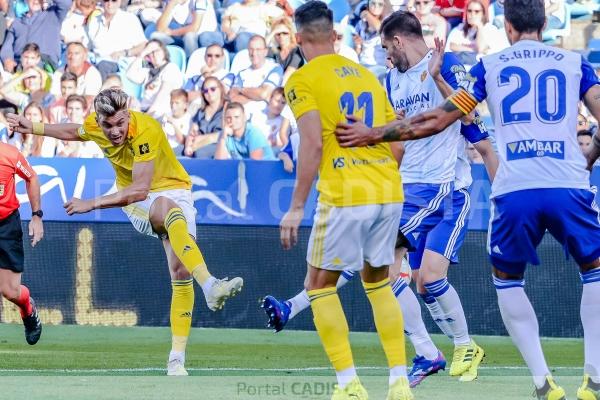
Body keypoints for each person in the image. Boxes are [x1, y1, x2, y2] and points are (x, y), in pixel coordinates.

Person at [333, 0, 600, 397]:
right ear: (545, 23)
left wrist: (374, 134)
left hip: (515, 187)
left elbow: (441, 119)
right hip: (567, 180)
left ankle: (543, 382)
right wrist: (588, 159)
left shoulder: (487, 66)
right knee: (594, 272)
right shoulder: (574, 62)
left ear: (507, 26)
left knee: (508, 282)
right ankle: (593, 377)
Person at [7, 88, 244, 376]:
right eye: (108, 125)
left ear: (128, 113)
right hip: (139, 201)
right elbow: (74, 132)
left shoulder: (146, 130)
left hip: (172, 189)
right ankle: (209, 284)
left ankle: (176, 359)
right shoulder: (96, 125)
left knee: (181, 271)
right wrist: (34, 126)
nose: (115, 131)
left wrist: (90, 203)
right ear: (99, 120)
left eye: (120, 123)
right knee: (166, 210)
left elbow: (141, 186)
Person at [279, 2, 413, 399]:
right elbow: (397, 143)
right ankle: (399, 382)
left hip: (345, 193)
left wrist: (297, 206)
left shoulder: (301, 80)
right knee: (378, 283)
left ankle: (349, 384)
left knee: (319, 286)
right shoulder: (368, 76)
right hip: (388, 189)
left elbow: (312, 142)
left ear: (299, 39)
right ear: (334, 35)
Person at [0, 141, 43, 345]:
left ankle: (27, 308)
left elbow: (32, 176)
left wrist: (36, 216)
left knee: (10, 291)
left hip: (6, 225)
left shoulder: (9, 154)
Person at [0, 0, 71, 72]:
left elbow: (66, 3)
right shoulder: (17, 23)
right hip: (19, 64)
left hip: (43, 63)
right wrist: (7, 59)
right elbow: (7, 46)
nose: (36, 1)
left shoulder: (53, 15)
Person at [126, 40, 184, 120]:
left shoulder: (171, 68)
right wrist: (142, 54)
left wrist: (147, 116)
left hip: (158, 113)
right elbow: (129, 75)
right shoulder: (149, 69)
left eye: (156, 50)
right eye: (150, 52)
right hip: (144, 110)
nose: (153, 54)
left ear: (163, 51)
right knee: (129, 100)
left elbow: (161, 96)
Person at [446, 0, 509, 66]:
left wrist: (479, 26)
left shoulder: (490, 29)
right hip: (459, 66)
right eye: (469, 11)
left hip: (478, 67)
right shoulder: (459, 28)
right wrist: (472, 49)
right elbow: (451, 46)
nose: (472, 15)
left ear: (483, 14)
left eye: (477, 12)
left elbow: (481, 49)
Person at [185, 77, 226, 158]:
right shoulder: (200, 112)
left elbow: (228, 133)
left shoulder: (227, 109)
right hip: (196, 146)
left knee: (200, 153)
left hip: (218, 146)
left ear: (220, 89)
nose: (209, 93)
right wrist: (187, 147)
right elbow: (191, 134)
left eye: (213, 89)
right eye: (205, 91)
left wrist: (204, 139)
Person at [267, 16, 304, 84]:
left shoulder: (296, 50)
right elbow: (258, 49)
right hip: (275, 85)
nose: (281, 36)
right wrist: (271, 34)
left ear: (291, 34)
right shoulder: (274, 51)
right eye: (278, 34)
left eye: (285, 33)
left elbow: (288, 74)